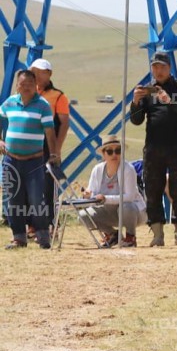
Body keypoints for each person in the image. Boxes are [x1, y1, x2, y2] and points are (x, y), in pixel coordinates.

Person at [129, 51, 177, 247]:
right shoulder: (147, 91)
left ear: (170, 68)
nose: (158, 71)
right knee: (153, 189)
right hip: (154, 148)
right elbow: (136, 120)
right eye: (155, 67)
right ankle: (157, 234)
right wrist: (135, 102)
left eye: (162, 67)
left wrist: (170, 100)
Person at [1, 69, 58, 249]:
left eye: (30, 84)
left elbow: (50, 131)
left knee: (36, 199)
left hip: (34, 161)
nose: (26, 87)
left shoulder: (42, 105)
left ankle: (43, 236)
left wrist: (54, 154)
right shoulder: (9, 103)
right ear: (17, 85)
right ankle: (19, 238)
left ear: (35, 86)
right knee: (13, 199)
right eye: (23, 84)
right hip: (11, 161)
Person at [27, 58, 71, 243]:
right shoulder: (27, 94)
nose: (36, 75)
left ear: (49, 74)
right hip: (29, 145)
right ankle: (32, 226)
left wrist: (56, 150)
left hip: (47, 146)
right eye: (34, 71)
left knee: (47, 187)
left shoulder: (58, 96)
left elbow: (64, 124)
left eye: (41, 72)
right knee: (28, 186)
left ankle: (51, 225)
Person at [81, 136, 146, 248]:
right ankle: (112, 235)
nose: (114, 155)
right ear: (103, 154)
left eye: (118, 151)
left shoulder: (128, 169)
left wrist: (105, 198)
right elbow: (92, 194)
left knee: (126, 206)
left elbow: (130, 197)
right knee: (82, 216)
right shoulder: (97, 170)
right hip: (109, 212)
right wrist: (87, 195)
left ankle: (130, 236)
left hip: (133, 213)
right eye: (110, 152)